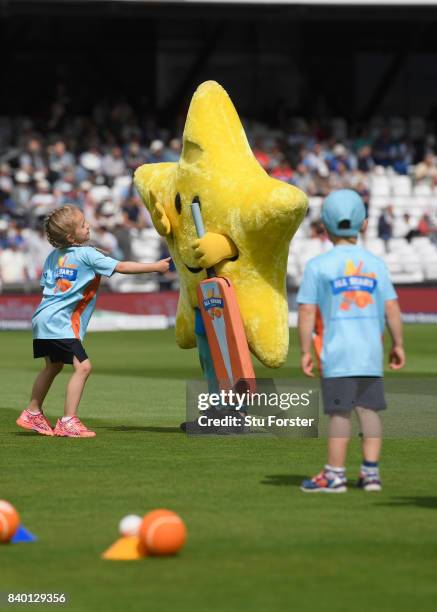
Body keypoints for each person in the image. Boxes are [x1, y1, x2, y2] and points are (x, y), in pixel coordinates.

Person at [16, 204, 171, 438]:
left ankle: (33, 412)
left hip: (42, 318)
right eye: (82, 225)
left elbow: (46, 287)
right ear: (71, 236)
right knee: (84, 367)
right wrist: (156, 267)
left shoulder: (52, 257)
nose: (88, 225)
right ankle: (68, 421)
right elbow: (121, 267)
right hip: (60, 322)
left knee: (53, 366)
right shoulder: (88, 254)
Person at [297, 189, 405, 493]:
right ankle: (370, 474)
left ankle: (335, 474)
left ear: (325, 227)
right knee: (368, 411)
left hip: (337, 353)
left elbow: (306, 311)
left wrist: (305, 350)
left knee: (339, 413)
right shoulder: (375, 264)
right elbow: (392, 308)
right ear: (365, 224)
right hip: (370, 352)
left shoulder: (318, 266)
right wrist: (398, 344)